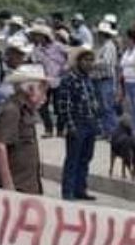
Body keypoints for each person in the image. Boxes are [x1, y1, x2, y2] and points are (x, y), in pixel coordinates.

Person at [0, 65, 50, 194]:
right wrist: (7, 184)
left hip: (27, 185)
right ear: (30, 89)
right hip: (17, 186)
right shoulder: (12, 110)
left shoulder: (26, 110)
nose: (44, 97)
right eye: (41, 89)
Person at [57, 45, 102, 201]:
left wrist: (97, 124)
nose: (89, 64)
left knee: (86, 158)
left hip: (89, 123)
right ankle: (67, 191)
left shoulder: (88, 80)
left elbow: (93, 103)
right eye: (86, 60)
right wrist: (70, 126)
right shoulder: (69, 80)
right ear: (78, 61)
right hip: (77, 123)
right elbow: (64, 105)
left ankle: (80, 189)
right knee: (73, 158)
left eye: (91, 60)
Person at [29, 24, 67, 137]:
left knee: (60, 106)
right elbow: (35, 64)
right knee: (42, 105)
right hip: (44, 81)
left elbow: (69, 57)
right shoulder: (36, 50)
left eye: (37, 36)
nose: (35, 38)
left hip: (59, 79)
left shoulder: (58, 46)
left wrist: (64, 68)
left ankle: (60, 129)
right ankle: (48, 129)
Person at [92, 22, 120, 136]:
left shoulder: (109, 46)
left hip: (106, 79)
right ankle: (106, 130)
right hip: (99, 78)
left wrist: (93, 64)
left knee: (107, 105)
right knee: (102, 106)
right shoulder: (101, 46)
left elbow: (106, 62)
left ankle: (112, 131)